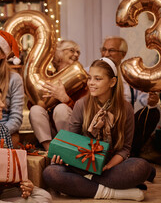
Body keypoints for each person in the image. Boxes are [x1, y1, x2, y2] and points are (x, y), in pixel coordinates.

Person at [42, 58, 153, 201]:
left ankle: (85, 185)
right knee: (51, 173)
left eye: (98, 79)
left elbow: (125, 149)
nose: (91, 83)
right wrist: (62, 157)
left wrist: (107, 166)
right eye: (89, 78)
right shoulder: (81, 105)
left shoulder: (125, 108)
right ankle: (116, 193)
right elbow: (70, 142)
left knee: (142, 167)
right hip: (81, 164)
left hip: (111, 166)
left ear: (112, 82)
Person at [100, 36, 160, 156]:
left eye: (111, 50)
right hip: (99, 122)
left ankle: (130, 153)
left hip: (124, 124)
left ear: (123, 54)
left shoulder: (130, 76)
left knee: (153, 113)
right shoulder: (90, 72)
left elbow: (145, 100)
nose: (106, 54)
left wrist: (152, 101)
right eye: (104, 49)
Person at [29, 40, 87, 151]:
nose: (76, 54)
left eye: (78, 52)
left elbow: (86, 111)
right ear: (59, 53)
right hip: (51, 131)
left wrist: (66, 99)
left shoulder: (83, 79)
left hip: (73, 131)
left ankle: (67, 149)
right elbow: (31, 103)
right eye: (72, 50)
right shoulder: (47, 76)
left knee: (61, 109)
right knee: (35, 109)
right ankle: (49, 150)